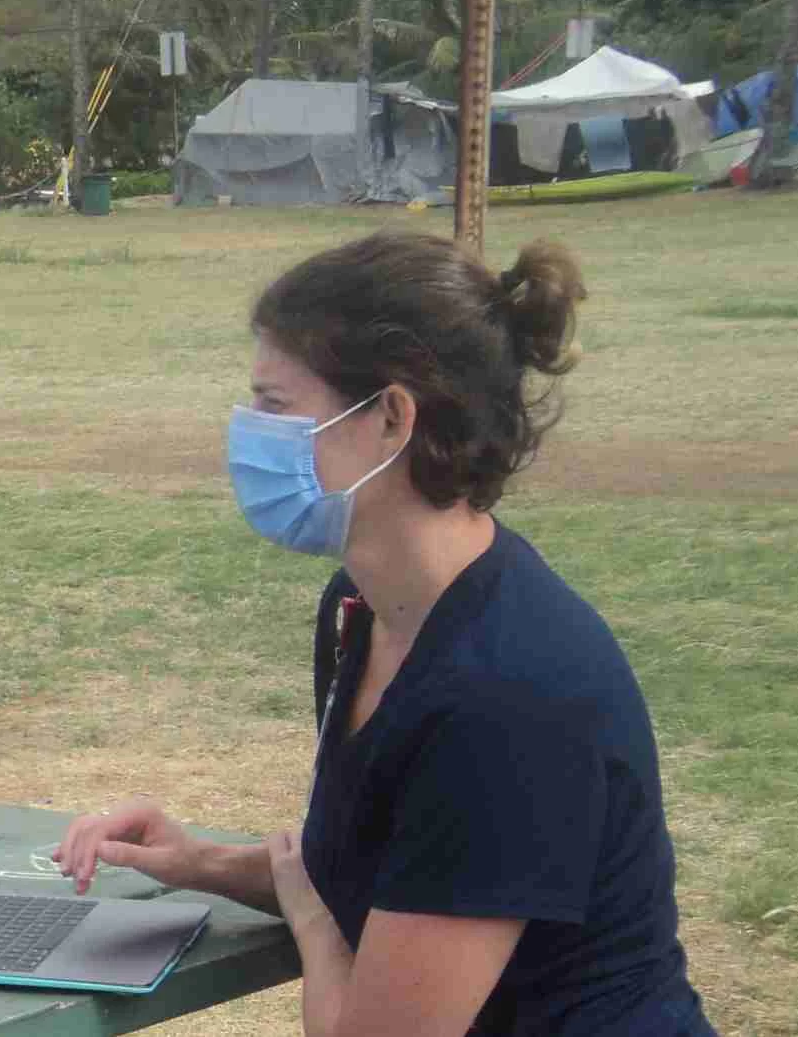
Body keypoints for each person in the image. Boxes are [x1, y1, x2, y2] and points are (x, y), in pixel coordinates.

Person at [54, 234, 713, 1037]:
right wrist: (201, 863)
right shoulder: (362, 610)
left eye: (273, 405)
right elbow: (394, 873)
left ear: (393, 418)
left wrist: (317, 929)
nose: (246, 433)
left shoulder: (505, 693)